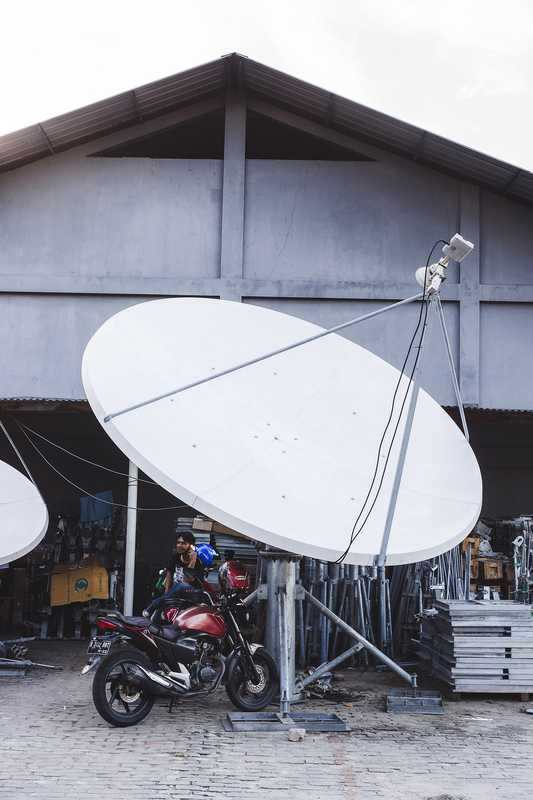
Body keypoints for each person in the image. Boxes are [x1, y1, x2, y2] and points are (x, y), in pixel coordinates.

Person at [142, 531, 205, 618]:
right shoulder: (175, 557)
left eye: (183, 543)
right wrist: (166, 593)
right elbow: (169, 574)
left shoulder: (197, 561)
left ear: (191, 545)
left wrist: (193, 560)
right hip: (175, 591)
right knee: (163, 604)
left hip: (192, 592)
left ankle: (153, 605)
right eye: (178, 542)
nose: (179, 545)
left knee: (181, 585)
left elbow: (189, 579)